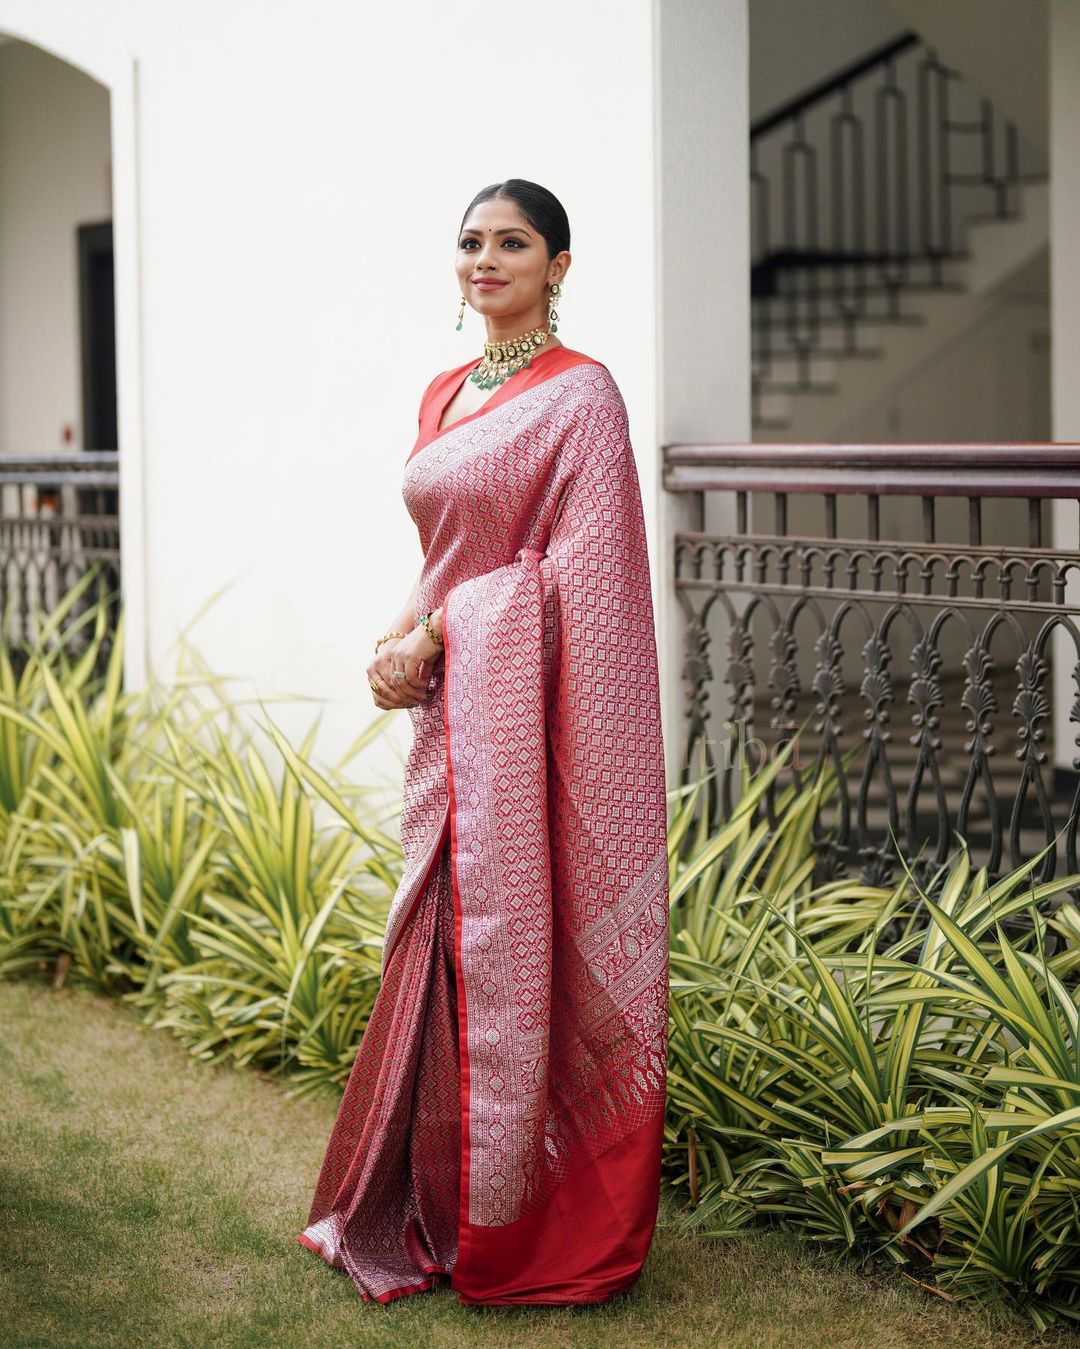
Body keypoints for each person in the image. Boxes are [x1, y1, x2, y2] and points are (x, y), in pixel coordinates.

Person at [297, 178, 669, 1307]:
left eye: (513, 242)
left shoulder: (584, 397)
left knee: (517, 945)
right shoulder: (446, 391)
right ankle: (426, 1199)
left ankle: (526, 1219)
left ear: (560, 264)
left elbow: (583, 584)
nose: (487, 258)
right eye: (471, 242)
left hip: (524, 719)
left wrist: (444, 628)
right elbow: (455, 550)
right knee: (443, 941)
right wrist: (398, 640)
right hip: (451, 714)